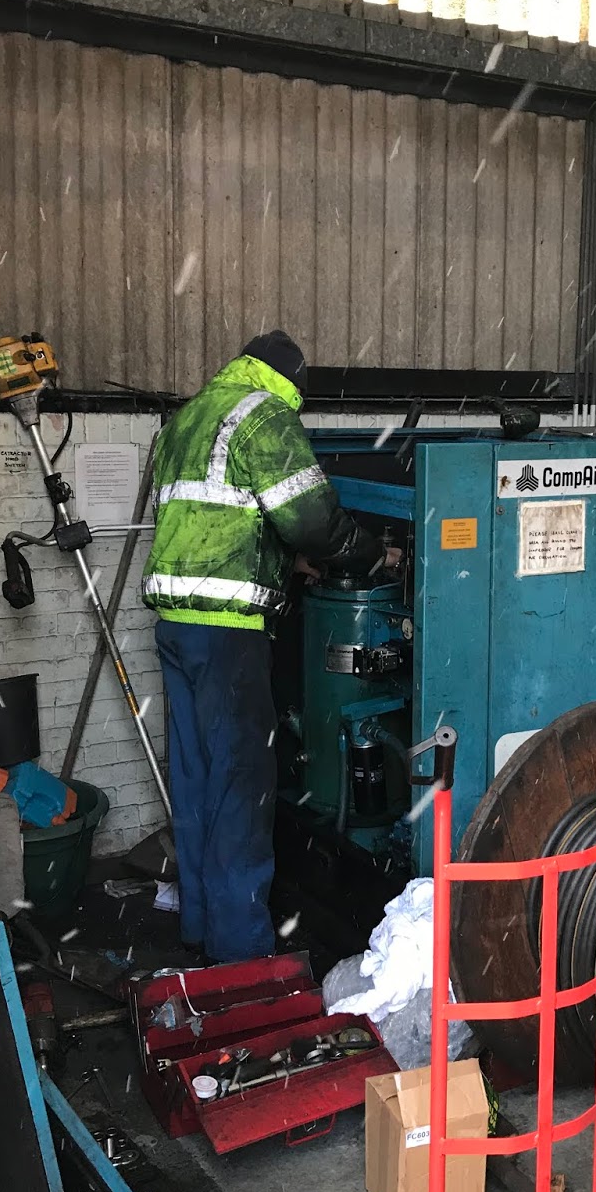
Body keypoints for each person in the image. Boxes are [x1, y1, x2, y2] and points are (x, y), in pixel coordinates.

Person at [142, 331, 399, 962]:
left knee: (199, 779)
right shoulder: (266, 416)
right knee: (241, 789)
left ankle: (200, 926)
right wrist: (370, 553)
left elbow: (217, 522)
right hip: (228, 632)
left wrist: (284, 567)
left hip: (178, 626)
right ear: (292, 382)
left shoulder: (191, 415)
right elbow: (312, 520)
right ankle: (244, 958)